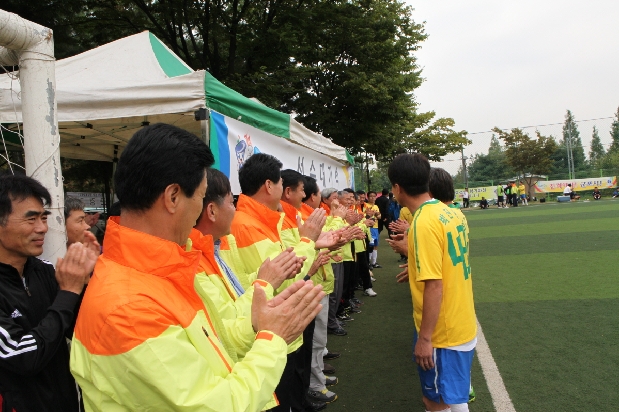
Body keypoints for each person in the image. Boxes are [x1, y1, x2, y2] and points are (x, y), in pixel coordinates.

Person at [70, 124, 325, 412]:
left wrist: (260, 322)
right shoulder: (128, 309)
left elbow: (216, 341)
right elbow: (218, 405)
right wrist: (273, 338)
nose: (199, 212)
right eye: (199, 197)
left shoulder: (160, 271)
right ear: (173, 197)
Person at [0, 174, 98, 411]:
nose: (42, 228)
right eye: (31, 219)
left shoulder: (44, 271)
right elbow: (24, 356)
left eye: (44, 218)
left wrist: (87, 279)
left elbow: (81, 329)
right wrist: (68, 291)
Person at [388, 155, 477, 412]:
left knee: (435, 400)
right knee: (453, 396)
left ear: (397, 187)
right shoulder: (450, 213)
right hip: (460, 319)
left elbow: (434, 285)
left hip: (442, 331)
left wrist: (424, 339)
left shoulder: (423, 222)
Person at [365, 191, 381, 268]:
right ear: (367, 197)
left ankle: (374, 262)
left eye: (374, 196)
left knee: (375, 245)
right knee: (370, 245)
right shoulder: (365, 205)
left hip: (376, 227)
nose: (372, 198)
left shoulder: (376, 206)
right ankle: (368, 263)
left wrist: (377, 214)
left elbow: (379, 217)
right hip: (369, 228)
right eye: (371, 196)